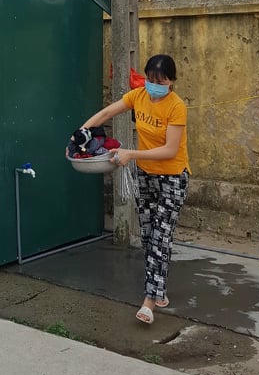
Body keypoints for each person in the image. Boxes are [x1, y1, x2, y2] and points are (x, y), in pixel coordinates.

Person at [80, 54, 190, 325]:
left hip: (173, 178)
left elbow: (170, 150)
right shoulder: (138, 96)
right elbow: (107, 113)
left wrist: (131, 153)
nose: (154, 86)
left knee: (161, 237)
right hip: (145, 176)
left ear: (171, 81)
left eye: (160, 82)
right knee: (150, 236)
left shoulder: (177, 107)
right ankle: (159, 291)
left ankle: (149, 302)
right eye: (150, 80)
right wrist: (81, 133)